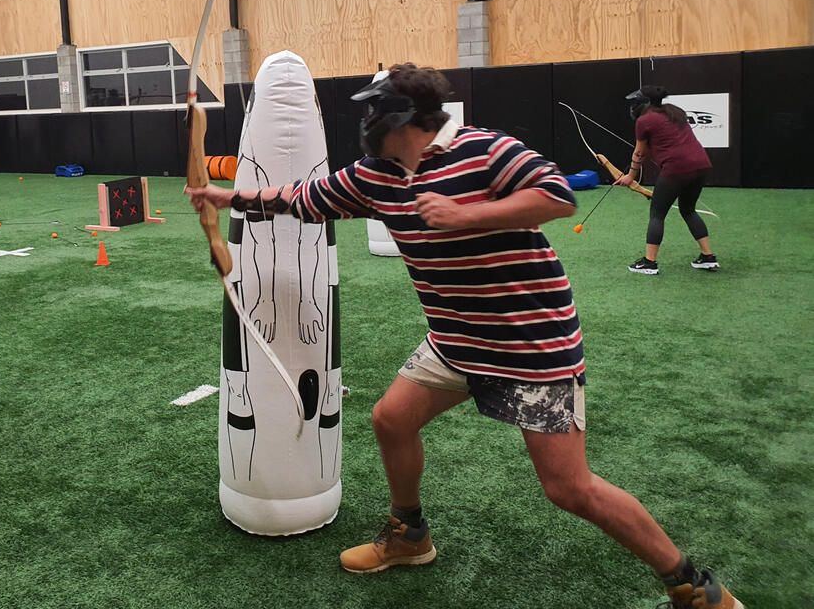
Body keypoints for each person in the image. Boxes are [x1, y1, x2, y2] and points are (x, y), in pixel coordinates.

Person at [186, 64, 742, 609]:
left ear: (403, 116)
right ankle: (409, 535)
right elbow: (304, 197)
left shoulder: (483, 148)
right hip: (455, 343)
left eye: (375, 112)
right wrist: (225, 198)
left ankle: (691, 585)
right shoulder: (376, 175)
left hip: (531, 346)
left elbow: (556, 196)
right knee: (391, 418)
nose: (367, 124)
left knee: (569, 488)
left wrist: (464, 215)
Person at [614, 86, 717, 275]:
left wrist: (630, 177)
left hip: (676, 169)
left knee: (657, 213)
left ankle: (649, 263)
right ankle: (708, 257)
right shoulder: (674, 111)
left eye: (635, 103)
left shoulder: (644, 121)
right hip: (701, 165)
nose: (632, 107)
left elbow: (640, 152)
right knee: (688, 210)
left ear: (643, 104)